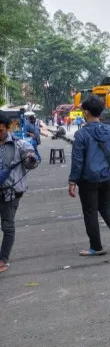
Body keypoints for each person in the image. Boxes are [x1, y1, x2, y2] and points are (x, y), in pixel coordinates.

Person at [68, 96, 110, 256]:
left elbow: (78, 161)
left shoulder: (81, 134)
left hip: (88, 179)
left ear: (86, 112)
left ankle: (96, 247)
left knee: (90, 211)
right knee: (105, 205)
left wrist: (72, 181)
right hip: (108, 175)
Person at [0, 112, 39, 273]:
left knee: (7, 225)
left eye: (0, 130)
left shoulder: (20, 144)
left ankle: (3, 259)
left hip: (10, 192)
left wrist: (31, 159)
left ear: (8, 128)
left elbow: (31, 161)